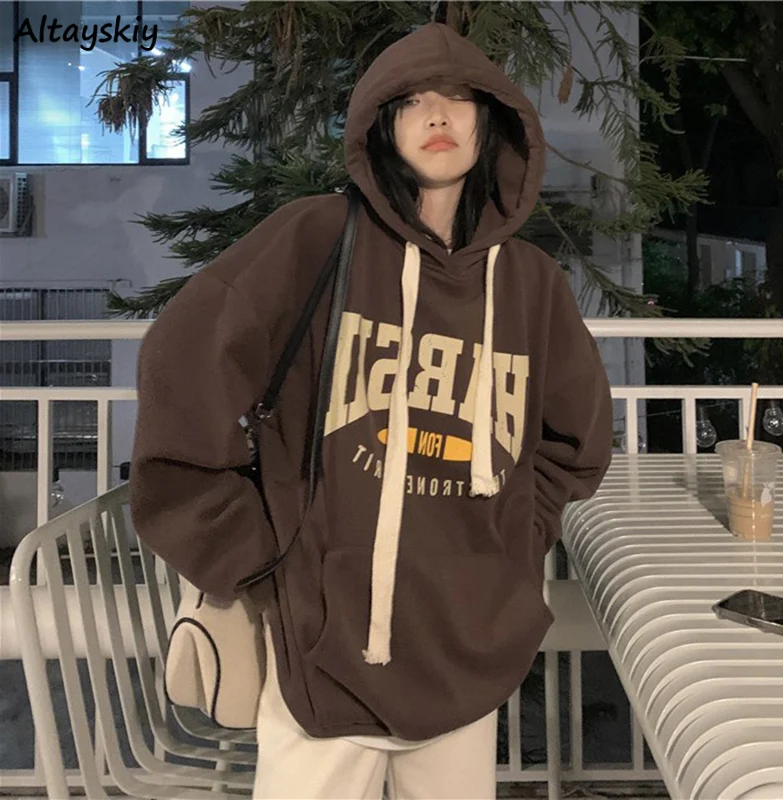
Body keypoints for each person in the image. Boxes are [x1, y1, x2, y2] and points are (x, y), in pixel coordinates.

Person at [130, 21, 614, 800]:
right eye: (412, 100)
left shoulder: (529, 284)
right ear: (380, 126)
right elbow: (184, 364)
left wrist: (513, 549)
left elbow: (575, 442)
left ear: (489, 121)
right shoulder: (317, 239)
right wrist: (252, 548)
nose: (437, 114)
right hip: (323, 650)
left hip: (464, 651)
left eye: (458, 98)